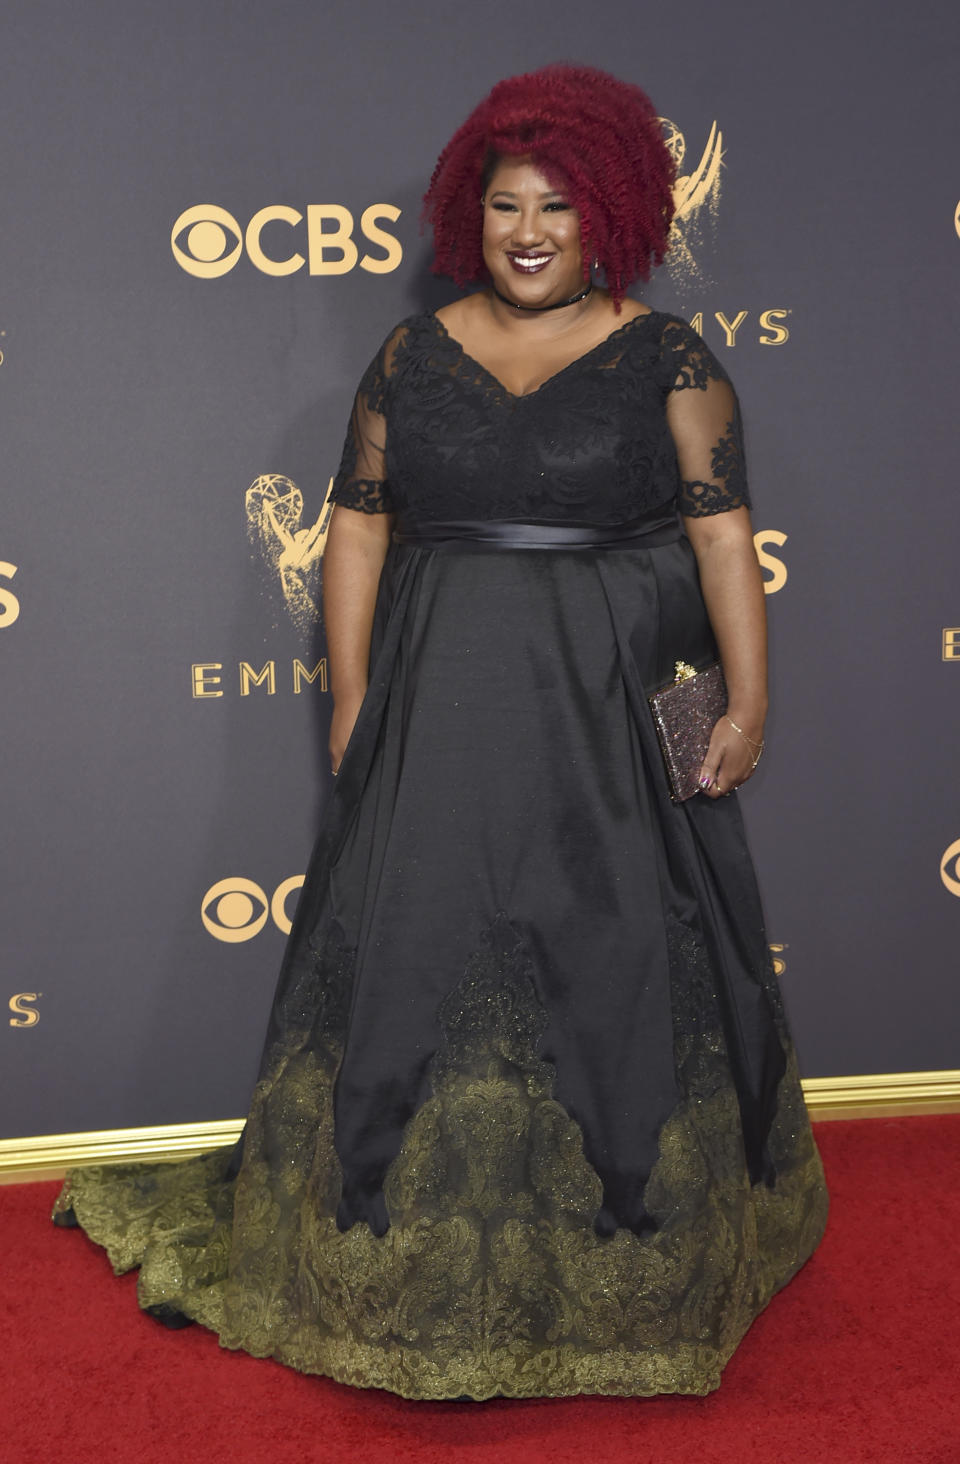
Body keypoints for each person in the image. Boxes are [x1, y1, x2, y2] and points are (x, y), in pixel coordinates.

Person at [53, 63, 828, 1401]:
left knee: (622, 946)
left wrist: (747, 703)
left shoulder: (672, 361)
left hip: (612, 704)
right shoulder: (414, 355)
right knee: (426, 942)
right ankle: (387, 1224)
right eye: (506, 206)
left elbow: (720, 537)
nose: (529, 232)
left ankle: (628, 1227)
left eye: (559, 208)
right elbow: (357, 522)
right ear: (471, 215)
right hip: (443, 695)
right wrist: (351, 693)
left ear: (614, 219)